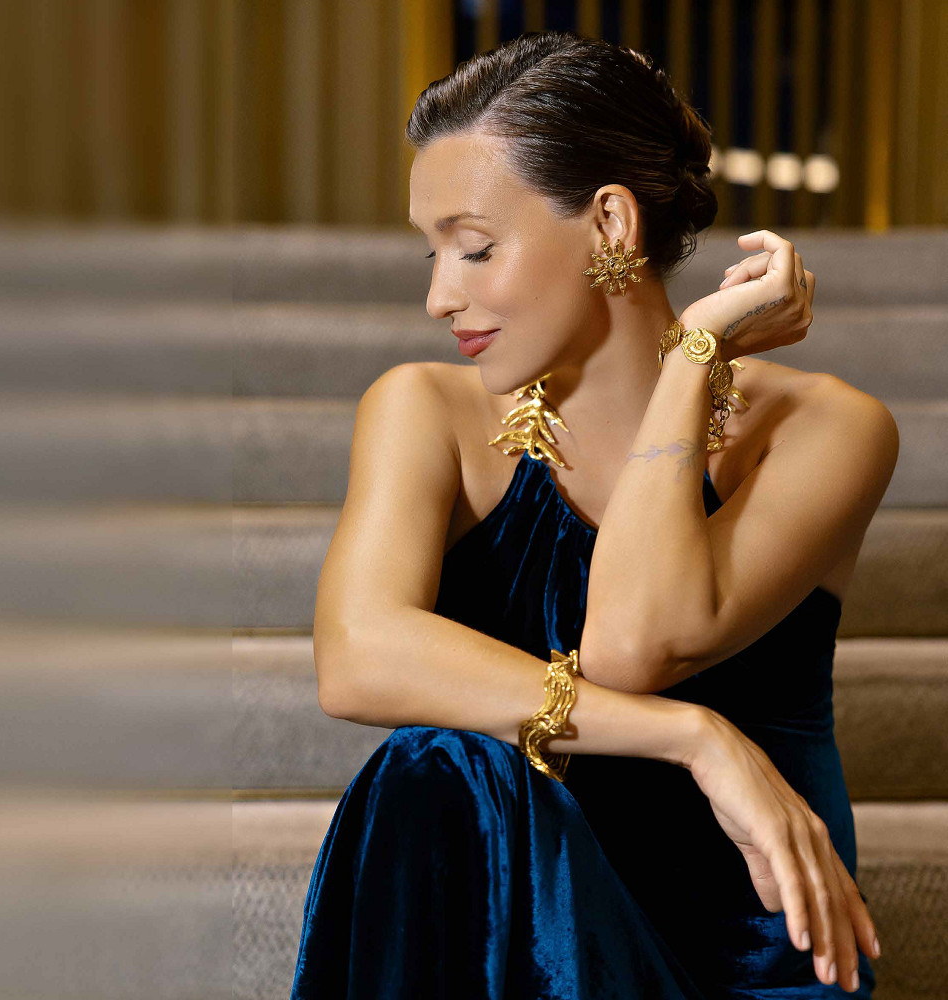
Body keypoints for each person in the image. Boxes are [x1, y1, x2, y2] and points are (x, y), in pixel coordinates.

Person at [291, 30, 898, 999]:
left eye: (474, 248)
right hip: (516, 950)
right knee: (434, 770)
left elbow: (631, 642)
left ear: (610, 224)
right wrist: (694, 738)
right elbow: (355, 654)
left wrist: (694, 357)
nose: (439, 296)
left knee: (445, 762)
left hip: (746, 966)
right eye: (432, 253)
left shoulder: (827, 429)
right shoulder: (426, 412)